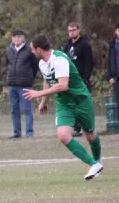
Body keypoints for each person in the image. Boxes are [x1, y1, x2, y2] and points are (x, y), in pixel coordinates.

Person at [24, 34, 103, 180]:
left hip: (81, 100)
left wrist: (38, 94)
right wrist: (43, 102)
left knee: (90, 135)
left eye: (33, 49)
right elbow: (47, 81)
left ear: (39, 49)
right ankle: (93, 164)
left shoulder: (59, 60)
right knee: (63, 135)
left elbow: (63, 85)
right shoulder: (42, 63)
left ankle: (97, 161)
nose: (32, 52)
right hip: (64, 103)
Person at [5, 29, 39, 138]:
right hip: (12, 85)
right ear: (12, 38)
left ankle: (29, 133)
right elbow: (8, 64)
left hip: (24, 85)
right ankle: (17, 133)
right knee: (14, 110)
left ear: (23, 38)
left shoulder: (29, 50)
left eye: (19, 37)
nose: (17, 39)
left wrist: (30, 79)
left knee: (27, 109)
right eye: (15, 37)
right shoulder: (8, 50)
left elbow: (35, 66)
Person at [63, 22, 94, 137]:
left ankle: (87, 127)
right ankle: (75, 128)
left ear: (78, 30)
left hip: (81, 80)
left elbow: (89, 63)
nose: (72, 32)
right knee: (72, 105)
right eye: (70, 30)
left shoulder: (85, 45)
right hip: (69, 80)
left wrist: (86, 78)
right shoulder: (67, 45)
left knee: (82, 105)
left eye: (74, 30)